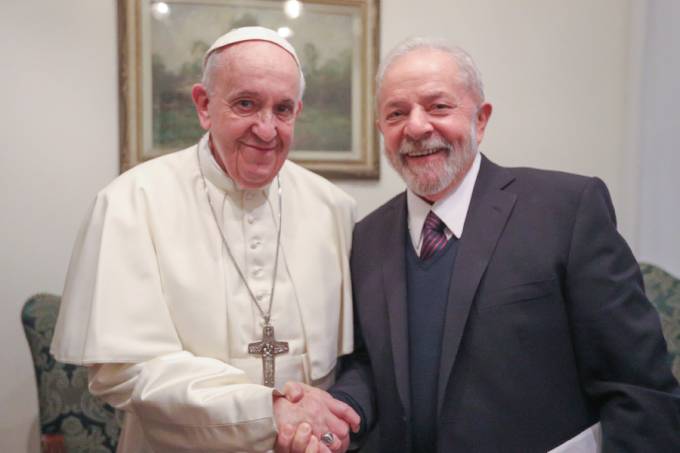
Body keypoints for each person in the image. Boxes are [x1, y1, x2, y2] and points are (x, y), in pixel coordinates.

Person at [324, 37, 680, 452]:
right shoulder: (366, 237)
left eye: (439, 107)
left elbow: (638, 389)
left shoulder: (566, 211)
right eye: (396, 113)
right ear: (382, 130)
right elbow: (369, 364)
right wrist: (340, 408)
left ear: (481, 120)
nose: (417, 127)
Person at [51, 26, 359, 452]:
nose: (267, 130)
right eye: (246, 104)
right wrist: (266, 409)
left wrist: (320, 423)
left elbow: (351, 363)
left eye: (283, 109)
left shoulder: (334, 208)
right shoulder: (130, 203)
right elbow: (124, 371)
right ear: (203, 105)